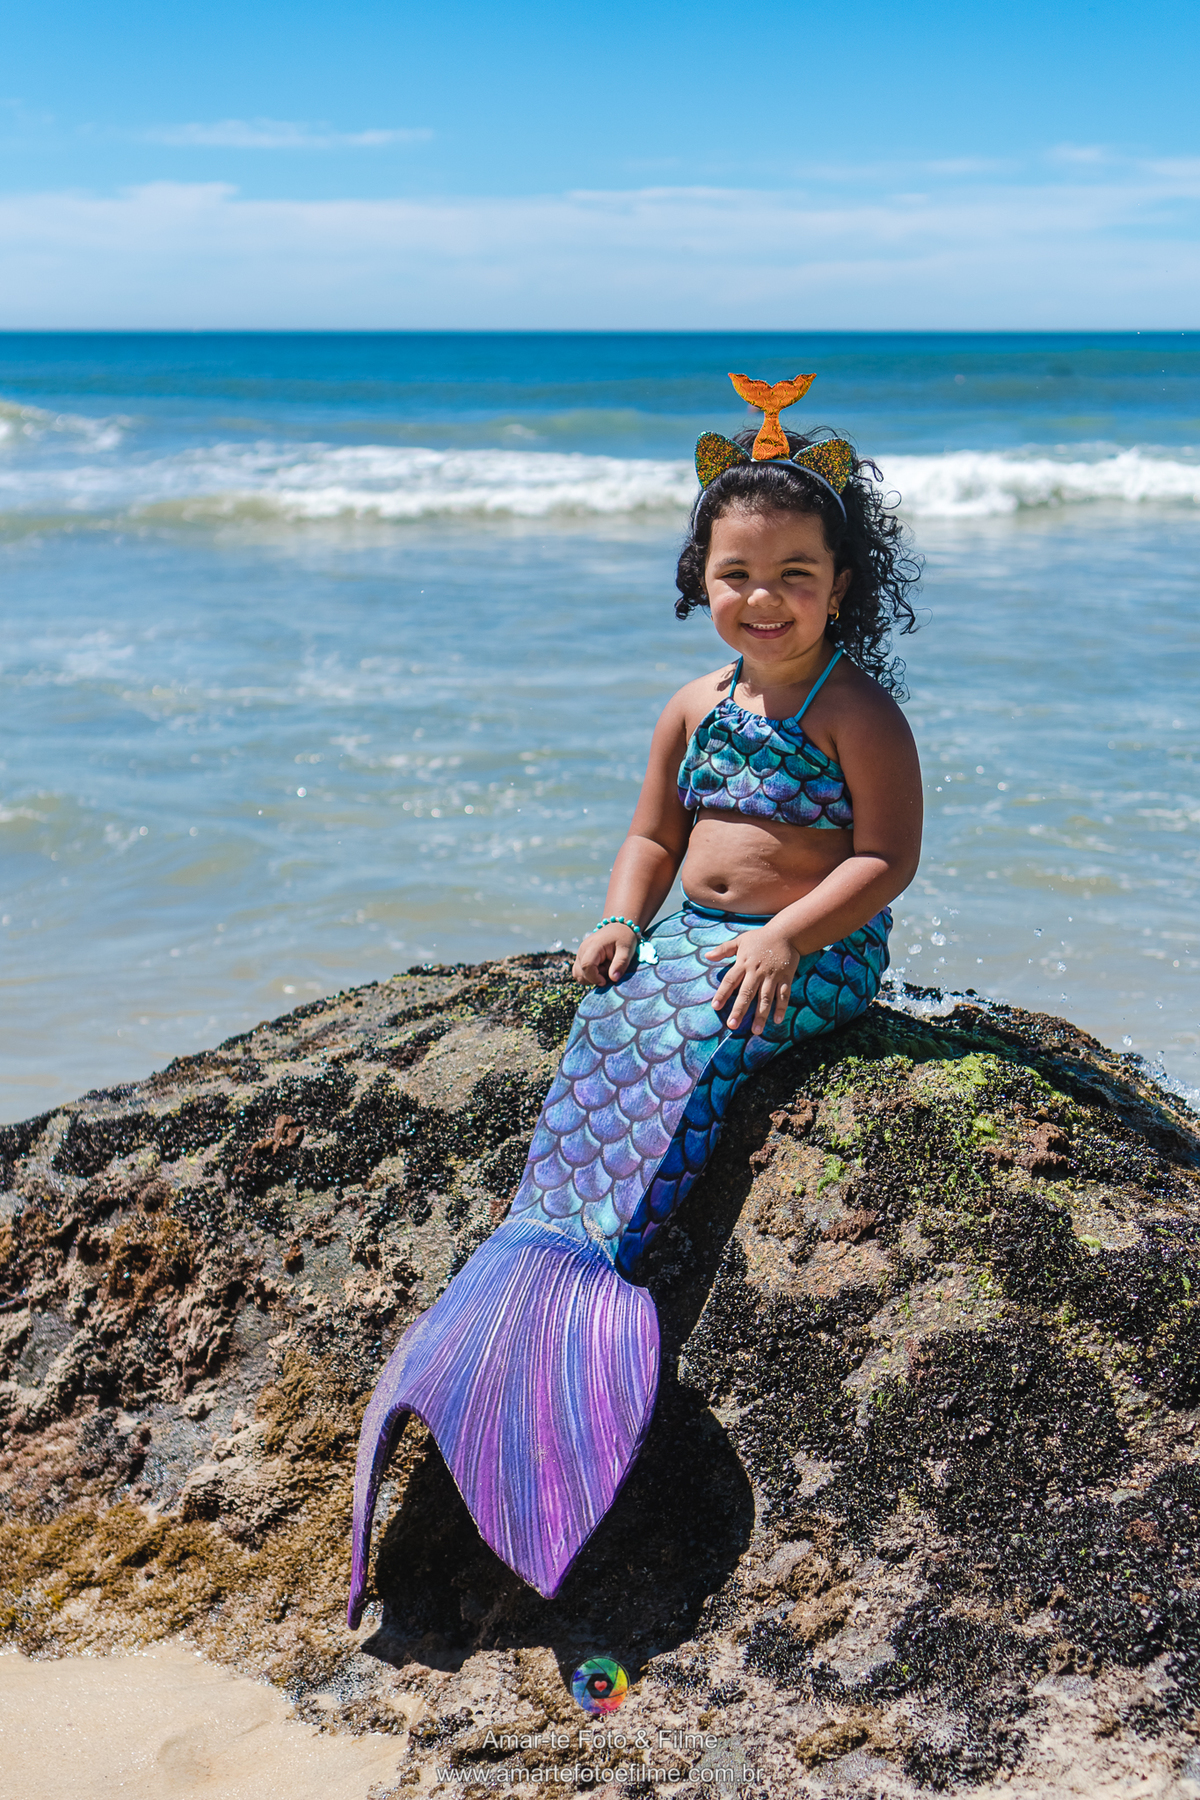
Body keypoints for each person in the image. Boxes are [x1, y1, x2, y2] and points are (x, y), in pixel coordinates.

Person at [348, 373, 923, 1626]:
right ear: (696, 578)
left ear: (843, 589)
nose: (761, 600)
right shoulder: (691, 706)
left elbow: (887, 857)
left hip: (807, 948)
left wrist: (783, 935)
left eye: (795, 577)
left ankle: (624, 1279)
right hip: (694, 936)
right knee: (611, 1028)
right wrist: (620, 918)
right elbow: (652, 837)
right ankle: (536, 1259)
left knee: (705, 1041)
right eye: (735, 574)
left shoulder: (856, 711)